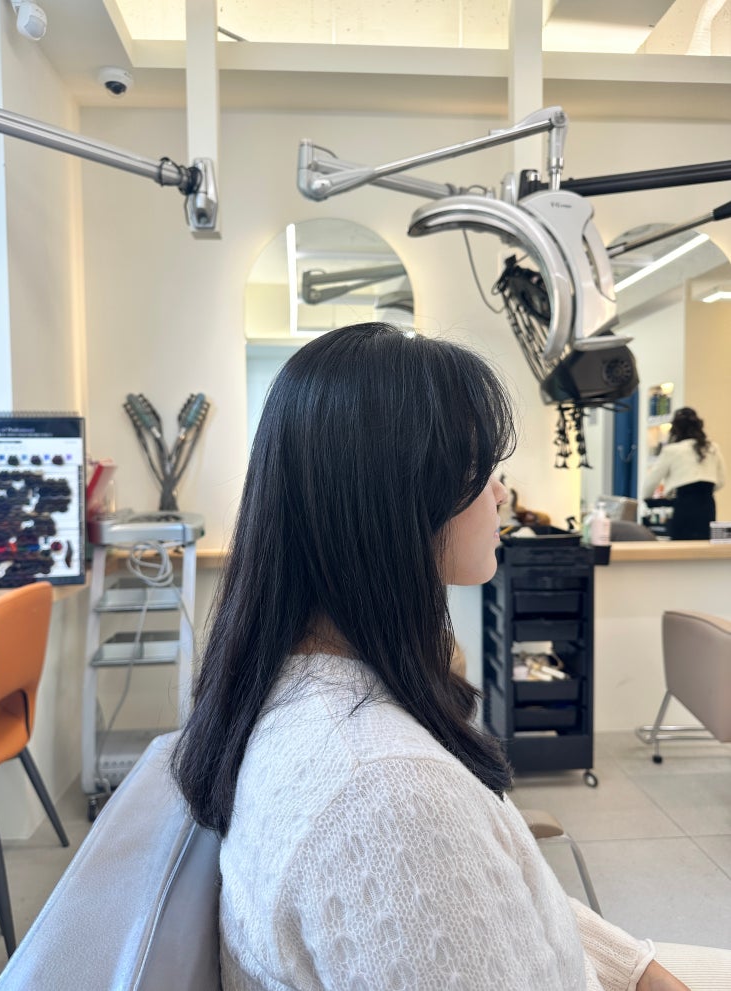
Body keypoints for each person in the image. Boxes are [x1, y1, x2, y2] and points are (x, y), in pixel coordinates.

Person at [173, 322, 691, 990]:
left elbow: (508, 900)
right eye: (482, 473)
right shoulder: (387, 799)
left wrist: (643, 971)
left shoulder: (307, 687)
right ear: (395, 498)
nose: (500, 495)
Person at [642, 406, 725, 540]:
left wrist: (647, 497)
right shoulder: (712, 448)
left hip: (684, 504)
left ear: (675, 429)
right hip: (707, 504)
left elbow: (652, 480)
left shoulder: (672, 450)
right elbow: (721, 481)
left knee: (681, 544)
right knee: (704, 544)